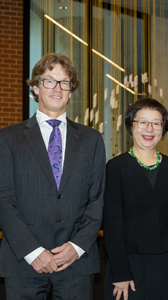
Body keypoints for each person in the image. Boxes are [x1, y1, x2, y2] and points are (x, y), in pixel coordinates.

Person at [0, 53, 105, 299]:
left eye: (64, 82)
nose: (57, 88)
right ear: (35, 88)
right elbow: (3, 199)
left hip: (76, 263)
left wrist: (77, 247)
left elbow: (98, 198)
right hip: (23, 261)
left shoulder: (92, 140)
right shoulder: (8, 138)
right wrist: (33, 251)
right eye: (49, 81)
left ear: (71, 91)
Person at [103, 98, 168, 300]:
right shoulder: (115, 167)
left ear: (163, 129)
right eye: (142, 122)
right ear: (130, 125)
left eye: (156, 123)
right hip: (128, 268)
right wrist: (120, 272)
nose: (149, 129)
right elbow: (112, 225)